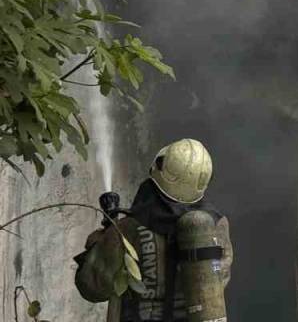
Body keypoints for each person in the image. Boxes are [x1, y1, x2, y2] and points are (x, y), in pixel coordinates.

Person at [74, 138, 233, 322]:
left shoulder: (129, 228)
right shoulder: (217, 225)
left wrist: (101, 238)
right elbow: (219, 279)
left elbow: (92, 287)